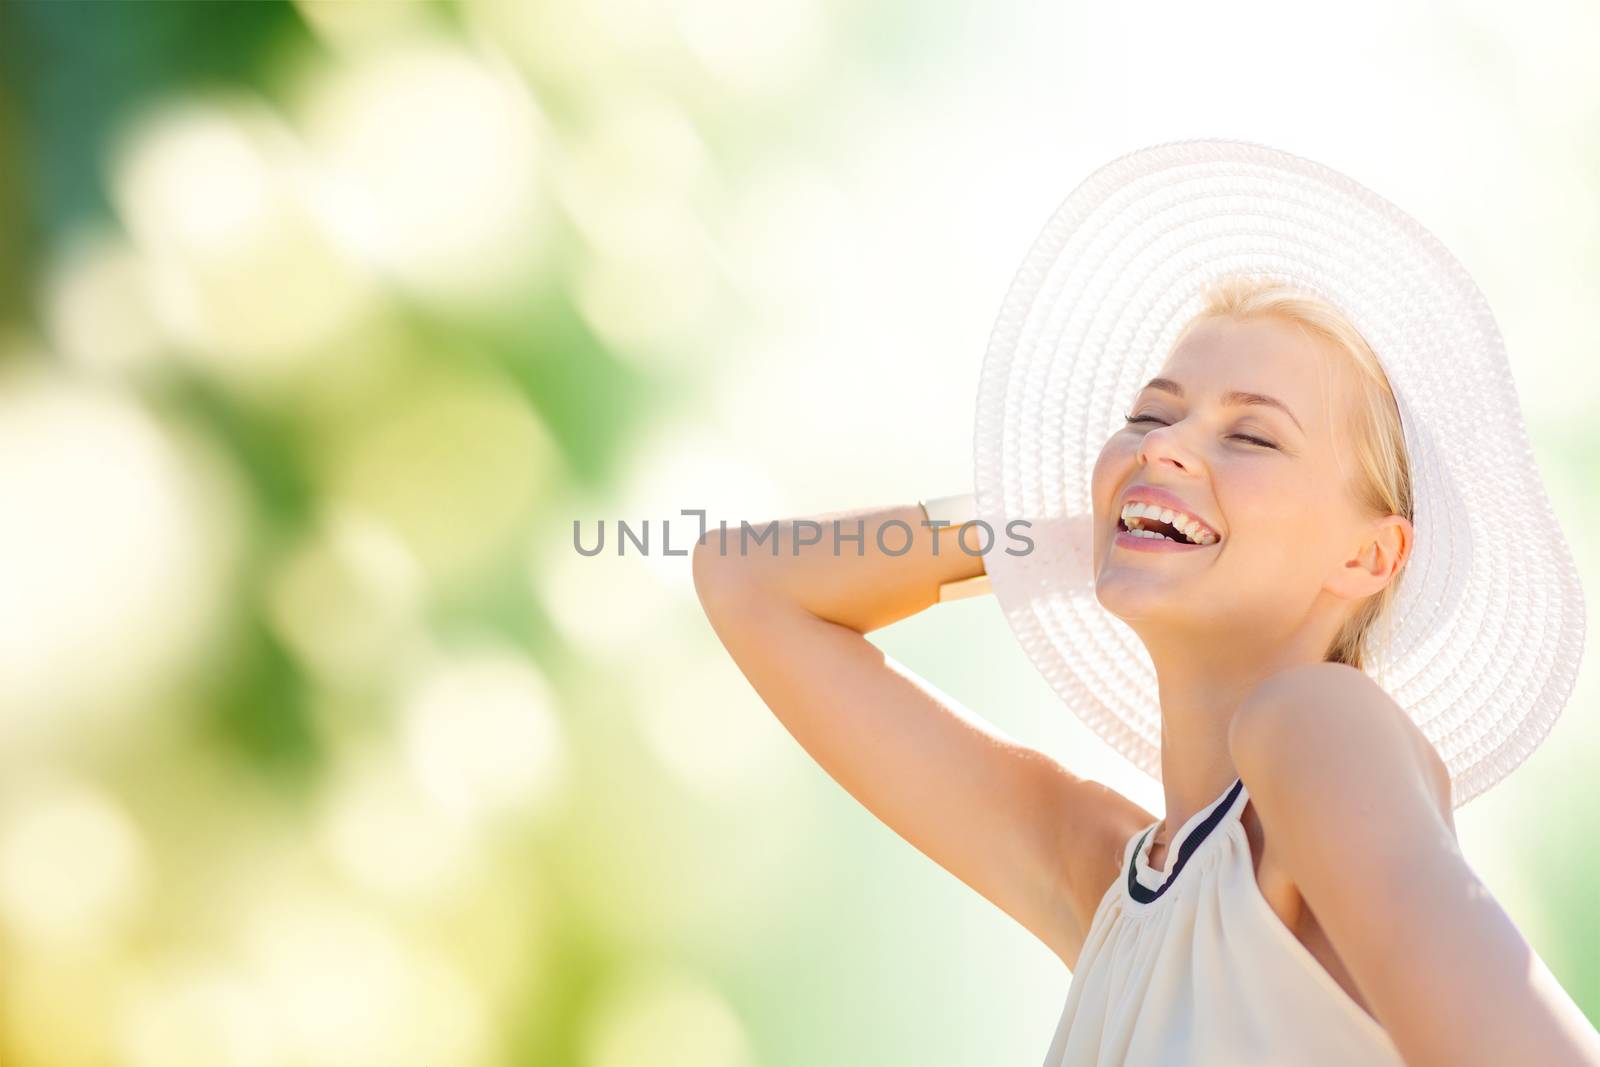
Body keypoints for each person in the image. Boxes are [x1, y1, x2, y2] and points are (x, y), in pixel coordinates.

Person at [692, 141, 1600, 1066]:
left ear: (1371, 554)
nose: (1167, 446)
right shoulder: (1112, 886)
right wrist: (1070, 527)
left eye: (1253, 435)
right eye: (1152, 416)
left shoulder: (1319, 723)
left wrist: (1148, 503)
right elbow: (749, 581)